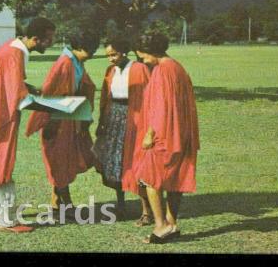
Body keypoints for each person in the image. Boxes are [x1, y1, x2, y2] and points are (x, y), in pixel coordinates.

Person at [0, 17, 56, 233]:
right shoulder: (14, 54)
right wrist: (52, 107)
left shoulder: (9, 47)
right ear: (36, 39)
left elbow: (10, 82)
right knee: (0, 164)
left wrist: (29, 87)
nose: (51, 44)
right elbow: (16, 95)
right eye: (49, 40)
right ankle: (5, 221)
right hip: (1, 117)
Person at [132, 33, 200, 244]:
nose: (143, 61)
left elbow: (160, 107)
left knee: (150, 178)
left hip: (165, 134)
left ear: (152, 52)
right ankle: (172, 223)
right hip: (181, 133)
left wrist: (149, 134)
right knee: (175, 179)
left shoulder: (162, 70)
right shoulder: (177, 67)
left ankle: (161, 225)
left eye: (143, 57)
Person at [24, 32, 99, 217]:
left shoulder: (77, 62)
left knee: (69, 159)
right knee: (59, 161)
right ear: (79, 48)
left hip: (70, 116)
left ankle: (56, 202)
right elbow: (50, 93)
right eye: (90, 50)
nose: (92, 54)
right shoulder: (65, 63)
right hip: (57, 119)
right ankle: (67, 205)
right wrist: (50, 122)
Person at [94, 37, 153, 224]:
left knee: (136, 163)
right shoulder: (110, 71)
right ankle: (121, 205)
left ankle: (146, 211)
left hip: (134, 119)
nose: (111, 59)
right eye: (108, 56)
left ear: (124, 51)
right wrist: (102, 123)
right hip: (114, 120)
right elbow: (105, 98)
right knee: (115, 164)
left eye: (114, 54)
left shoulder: (139, 69)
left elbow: (148, 98)